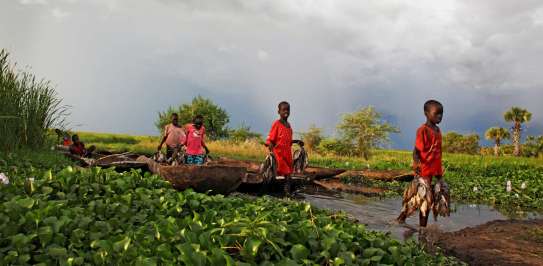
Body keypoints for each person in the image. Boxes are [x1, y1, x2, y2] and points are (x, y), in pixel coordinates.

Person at [397, 99, 444, 227]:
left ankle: (401, 219)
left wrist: (440, 172)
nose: (439, 116)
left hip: (435, 170)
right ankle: (422, 230)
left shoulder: (438, 131)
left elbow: (438, 152)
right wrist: (416, 162)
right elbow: (416, 151)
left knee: (422, 199)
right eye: (436, 114)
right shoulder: (422, 130)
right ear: (426, 114)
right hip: (424, 170)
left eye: (441, 114)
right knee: (425, 201)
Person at [265, 101, 304, 196]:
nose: (286, 112)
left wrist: (296, 141)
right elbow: (270, 140)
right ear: (279, 112)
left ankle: (279, 192)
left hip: (287, 155)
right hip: (278, 154)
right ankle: (287, 194)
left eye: (288, 110)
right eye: (284, 110)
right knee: (287, 175)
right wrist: (269, 145)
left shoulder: (289, 126)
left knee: (287, 174)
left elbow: (287, 141)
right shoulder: (277, 124)